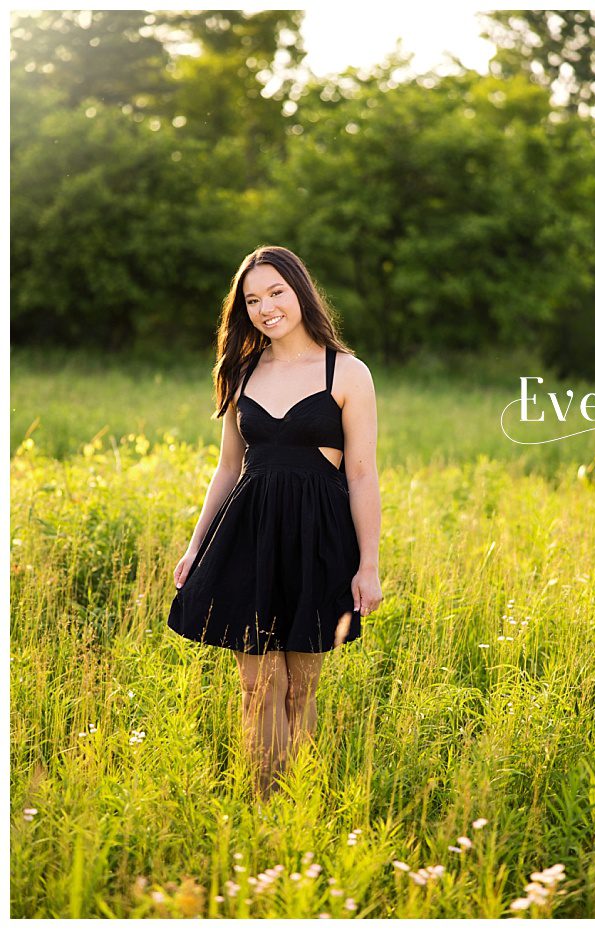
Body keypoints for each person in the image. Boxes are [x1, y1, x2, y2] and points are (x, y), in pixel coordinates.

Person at [167, 245, 384, 797]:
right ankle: (263, 806)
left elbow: (361, 475)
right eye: (253, 299)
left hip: (317, 542)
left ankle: (296, 806)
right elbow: (228, 468)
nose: (266, 308)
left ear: (301, 292)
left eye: (276, 293)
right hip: (248, 539)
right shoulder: (241, 371)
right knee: (259, 686)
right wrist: (196, 546)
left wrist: (369, 566)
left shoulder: (348, 372)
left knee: (300, 690)